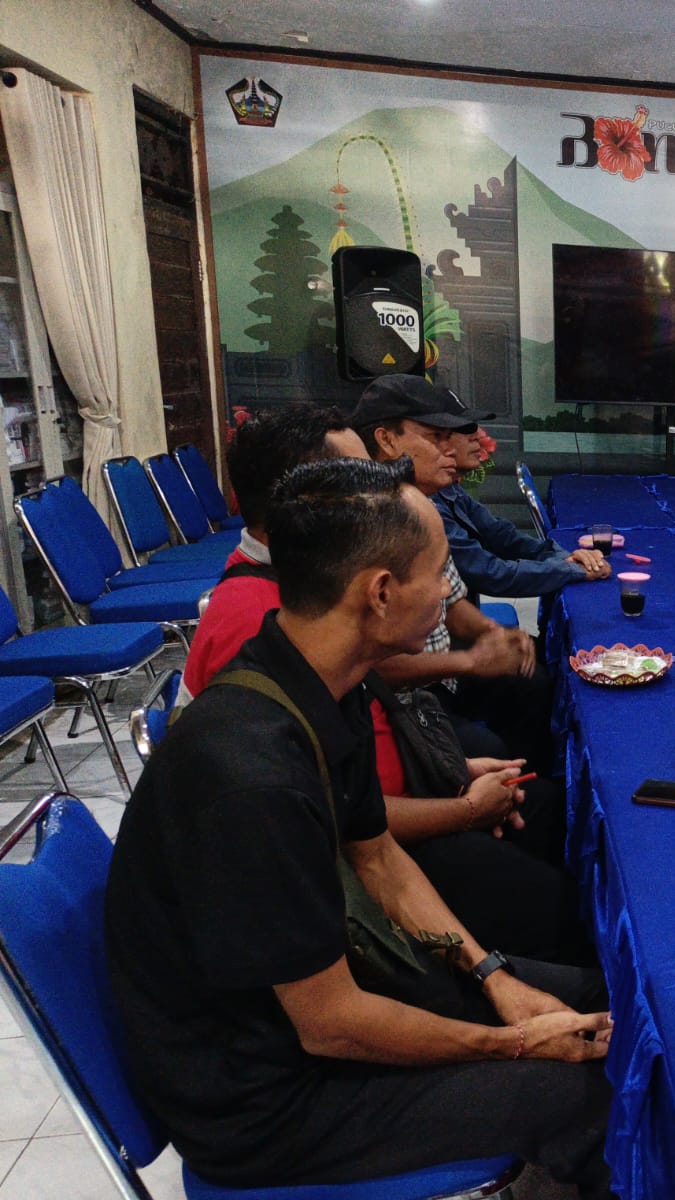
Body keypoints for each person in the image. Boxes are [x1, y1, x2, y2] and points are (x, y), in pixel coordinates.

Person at [105, 458, 613, 1194]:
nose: (448, 590)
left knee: (604, 1002)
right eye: (439, 572)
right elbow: (331, 1023)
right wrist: (509, 1044)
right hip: (269, 1101)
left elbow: (378, 859)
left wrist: (493, 976)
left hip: (333, 1001)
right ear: (379, 593)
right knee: (593, 1094)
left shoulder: (319, 680)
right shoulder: (247, 775)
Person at [180, 404, 588, 962]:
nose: (445, 597)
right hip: (353, 888)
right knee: (569, 918)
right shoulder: (262, 640)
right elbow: (341, 840)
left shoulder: (308, 609)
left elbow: (355, 796)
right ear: (304, 506)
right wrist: (467, 810)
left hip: (393, 820)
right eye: (360, 482)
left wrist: (455, 777)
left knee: (554, 814)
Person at [352, 375, 552, 769]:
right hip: (396, 701)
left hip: (439, 678)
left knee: (533, 683)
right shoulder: (363, 526)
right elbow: (367, 665)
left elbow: (455, 602)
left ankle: (533, 791)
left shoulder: (423, 506)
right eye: (436, 436)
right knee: (488, 744)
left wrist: (494, 634)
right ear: (387, 441)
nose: (452, 449)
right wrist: (471, 661)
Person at [433, 398, 611, 600]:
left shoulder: (447, 489)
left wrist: (565, 558)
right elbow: (490, 573)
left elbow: (502, 536)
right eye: (464, 428)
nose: (477, 435)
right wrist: (571, 569)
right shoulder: (424, 506)